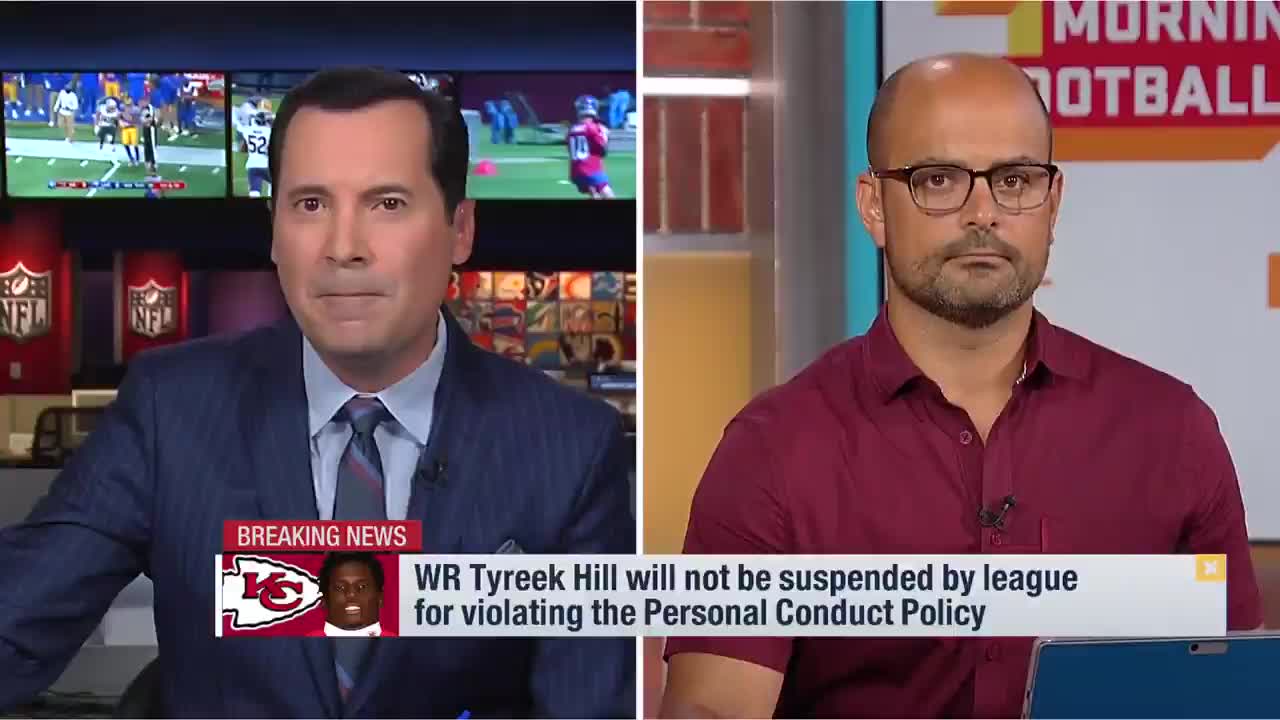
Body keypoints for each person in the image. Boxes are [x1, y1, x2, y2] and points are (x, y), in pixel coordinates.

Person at [0, 67, 634, 718]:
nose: (343, 248)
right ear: (274, 230)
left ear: (459, 230)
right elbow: (18, 617)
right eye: (310, 204)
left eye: (387, 203)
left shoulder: (569, 447)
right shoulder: (172, 410)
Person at [659, 53, 1262, 720]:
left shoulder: (1170, 432)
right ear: (875, 207)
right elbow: (711, 710)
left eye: (1015, 179)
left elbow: (1232, 696)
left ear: (1052, 203)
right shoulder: (772, 451)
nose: (983, 213)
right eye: (938, 179)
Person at [307, 553, 397, 638]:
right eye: (340, 588)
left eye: (362, 587)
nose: (351, 595)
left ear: (380, 597)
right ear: (324, 600)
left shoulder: (402, 648)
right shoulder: (304, 646)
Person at [567, 95, 614, 199]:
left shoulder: (572, 129)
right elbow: (603, 150)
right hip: (591, 170)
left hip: (575, 173)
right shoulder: (594, 128)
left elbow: (570, 150)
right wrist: (605, 135)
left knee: (594, 194)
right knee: (608, 195)